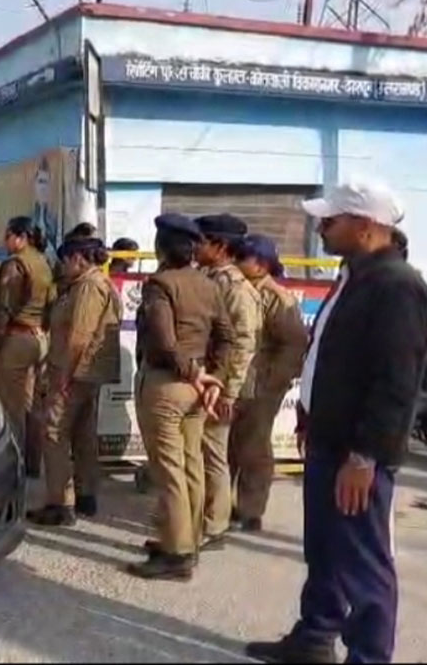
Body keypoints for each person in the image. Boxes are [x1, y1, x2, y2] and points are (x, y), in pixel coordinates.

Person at [246, 181, 427, 664]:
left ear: (367, 227)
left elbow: (394, 384)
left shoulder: (398, 287)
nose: (320, 227)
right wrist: (311, 416)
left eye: (331, 221)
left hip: (357, 453)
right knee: (325, 551)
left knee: (364, 564)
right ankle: (315, 637)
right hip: (329, 441)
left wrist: (364, 456)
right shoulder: (353, 276)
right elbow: (330, 355)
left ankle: (369, 656)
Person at [129, 213, 233, 581]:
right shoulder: (208, 285)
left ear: (161, 247)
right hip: (197, 390)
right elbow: (226, 337)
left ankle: (176, 554)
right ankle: (184, 541)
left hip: (167, 385)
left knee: (169, 471)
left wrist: (193, 371)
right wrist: (213, 378)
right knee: (191, 466)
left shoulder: (160, 284)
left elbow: (163, 340)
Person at [29, 237, 121, 526]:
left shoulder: (88, 287)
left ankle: (60, 502)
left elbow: (79, 336)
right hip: (83, 373)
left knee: (54, 432)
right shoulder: (90, 284)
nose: (63, 265)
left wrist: (65, 377)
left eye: (66, 259)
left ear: (80, 258)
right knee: (82, 434)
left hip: (73, 372)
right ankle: (85, 495)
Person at [228, 235, 308, 532]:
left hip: (262, 383)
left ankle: (251, 509)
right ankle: (227, 504)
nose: (237, 263)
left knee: (254, 446)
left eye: (243, 258)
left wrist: (271, 381)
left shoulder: (277, 298)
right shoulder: (240, 290)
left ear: (261, 264)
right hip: (240, 381)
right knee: (232, 443)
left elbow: (293, 345)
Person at [195, 213, 262, 550]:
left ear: (220, 247)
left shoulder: (236, 289)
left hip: (221, 386)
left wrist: (227, 391)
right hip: (205, 379)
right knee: (200, 452)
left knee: (213, 455)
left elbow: (243, 344)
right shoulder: (209, 278)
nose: (195, 247)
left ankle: (215, 525)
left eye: (201, 240)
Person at [0, 217, 56, 476]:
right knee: (32, 405)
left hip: (17, 337)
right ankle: (32, 461)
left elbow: (4, 307)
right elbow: (51, 302)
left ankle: (12, 463)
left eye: (7, 236)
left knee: (10, 405)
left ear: (20, 237)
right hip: (40, 337)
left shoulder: (15, 265)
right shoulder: (43, 262)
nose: (5, 242)